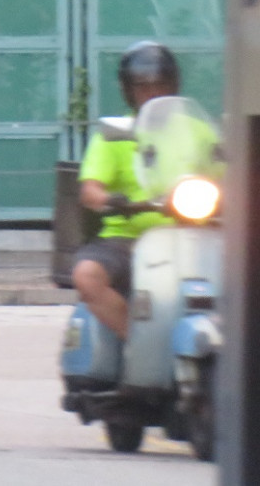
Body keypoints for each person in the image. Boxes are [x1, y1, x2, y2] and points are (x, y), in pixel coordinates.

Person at [72, 40, 181, 340]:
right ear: (129, 91)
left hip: (187, 233)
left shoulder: (196, 131)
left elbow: (226, 171)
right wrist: (111, 200)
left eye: (161, 85)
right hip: (125, 240)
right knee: (87, 276)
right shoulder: (115, 134)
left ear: (173, 86)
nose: (153, 93)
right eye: (143, 87)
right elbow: (90, 190)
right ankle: (137, 344)